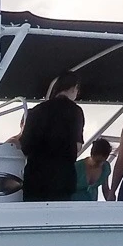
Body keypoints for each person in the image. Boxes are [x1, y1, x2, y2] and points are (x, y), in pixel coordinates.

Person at [19, 71, 85, 202]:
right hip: (62, 179)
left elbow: (25, 146)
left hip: (35, 178)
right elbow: (77, 146)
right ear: (74, 88)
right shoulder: (75, 111)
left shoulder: (36, 111)